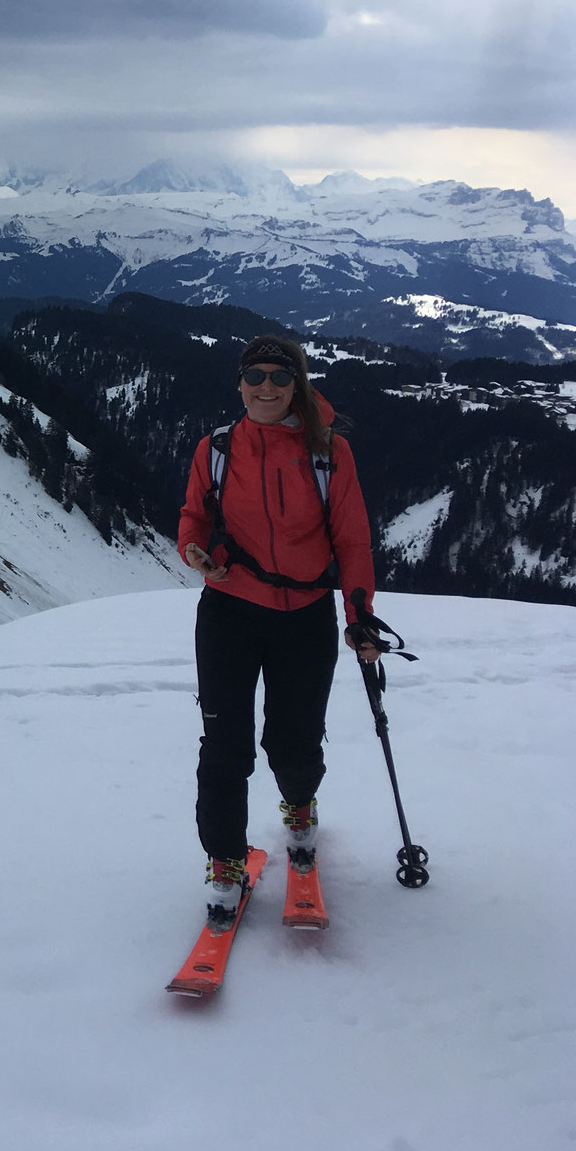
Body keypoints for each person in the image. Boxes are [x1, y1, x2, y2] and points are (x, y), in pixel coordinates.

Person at [177, 334, 383, 931]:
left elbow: (352, 540)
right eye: (255, 376)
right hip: (228, 612)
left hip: (304, 616)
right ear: (239, 383)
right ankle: (224, 863)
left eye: (278, 376)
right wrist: (194, 549)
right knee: (224, 747)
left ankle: (298, 809)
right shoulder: (215, 449)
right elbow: (193, 514)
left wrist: (360, 615)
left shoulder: (330, 454)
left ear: (297, 384)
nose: (265, 387)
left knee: (293, 741)